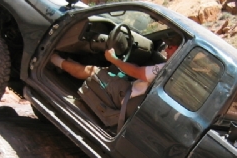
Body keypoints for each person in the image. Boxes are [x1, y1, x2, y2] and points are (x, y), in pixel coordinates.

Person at [50, 35, 181, 123]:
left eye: (170, 48)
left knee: (93, 71)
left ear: (179, 50)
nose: (166, 51)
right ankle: (66, 62)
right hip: (134, 96)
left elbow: (137, 72)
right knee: (112, 71)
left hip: (126, 96)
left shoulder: (169, 67)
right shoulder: (181, 70)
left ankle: (53, 59)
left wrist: (113, 59)